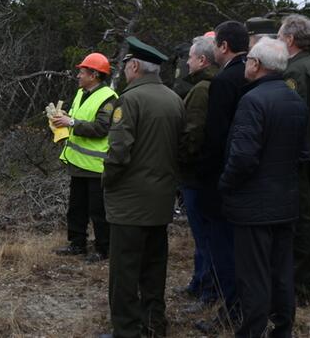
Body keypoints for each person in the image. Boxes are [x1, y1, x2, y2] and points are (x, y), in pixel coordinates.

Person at [219, 37, 308, 337]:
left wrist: (226, 184)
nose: (246, 65)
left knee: (253, 276)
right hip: (285, 201)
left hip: (254, 206)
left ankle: (252, 332)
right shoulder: (294, 100)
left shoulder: (253, 101)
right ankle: (282, 329)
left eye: (248, 61)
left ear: (256, 64)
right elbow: (303, 152)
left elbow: (243, 157)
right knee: (281, 272)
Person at [99, 37, 185, 338]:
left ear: (134, 66)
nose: (123, 71)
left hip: (130, 204)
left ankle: (126, 330)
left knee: (124, 272)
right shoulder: (174, 99)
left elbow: (119, 152)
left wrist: (106, 181)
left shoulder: (129, 100)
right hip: (161, 201)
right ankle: (154, 325)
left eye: (125, 66)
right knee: (154, 269)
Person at [196, 20, 248, 331]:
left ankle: (231, 312)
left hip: (221, 181)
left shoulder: (225, 80)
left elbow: (215, 136)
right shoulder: (251, 73)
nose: (214, 49)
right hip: (245, 179)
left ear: (224, 46)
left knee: (224, 250)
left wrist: (205, 179)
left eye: (216, 45)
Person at [277, 14, 310, 305]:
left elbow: (289, 116)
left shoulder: (295, 72)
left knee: (300, 221)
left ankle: (303, 288)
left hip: (297, 154)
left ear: (290, 39)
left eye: (280, 36)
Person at [52, 53, 118, 262]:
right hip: (78, 163)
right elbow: (74, 118)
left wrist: (70, 123)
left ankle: (103, 249)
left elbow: (101, 128)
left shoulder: (109, 98)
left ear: (95, 75)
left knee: (98, 211)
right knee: (76, 207)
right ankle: (77, 244)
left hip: (97, 166)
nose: (78, 75)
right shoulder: (81, 93)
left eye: (82, 72)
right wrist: (60, 123)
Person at [177, 36, 219, 308]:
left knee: (205, 236)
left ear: (202, 60)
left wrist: (178, 161)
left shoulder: (202, 89)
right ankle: (198, 282)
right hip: (198, 175)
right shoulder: (206, 85)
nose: (187, 62)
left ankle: (207, 289)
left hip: (195, 176)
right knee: (202, 235)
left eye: (190, 58)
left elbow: (193, 134)